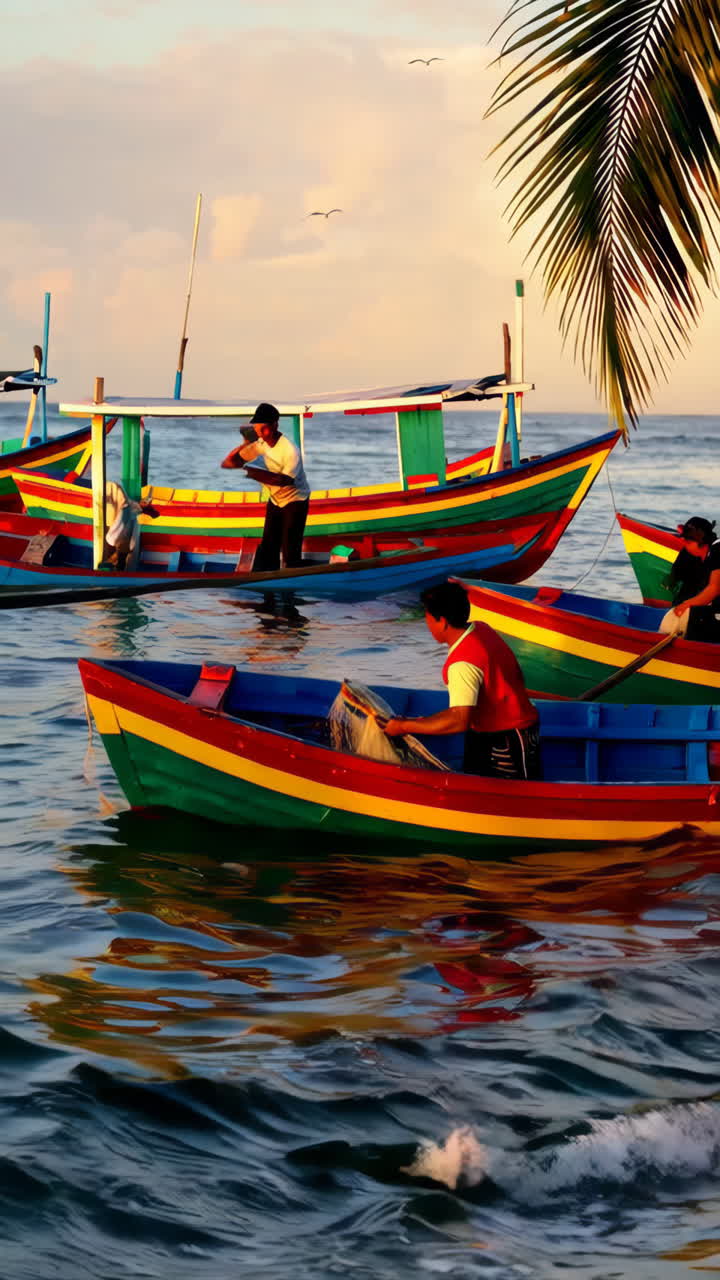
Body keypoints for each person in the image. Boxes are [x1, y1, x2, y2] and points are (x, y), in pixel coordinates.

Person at [384, 581, 542, 779]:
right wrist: (418, 722)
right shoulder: (481, 629)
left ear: (442, 622)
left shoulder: (462, 663)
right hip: (508, 726)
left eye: (427, 618)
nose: (427, 624)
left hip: (507, 737)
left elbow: (459, 721)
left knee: (510, 796)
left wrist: (403, 726)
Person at [221, 402, 310, 571]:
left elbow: (284, 481)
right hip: (276, 500)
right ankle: (269, 588)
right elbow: (230, 462)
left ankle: (293, 582)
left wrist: (253, 472)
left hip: (296, 501)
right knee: (269, 546)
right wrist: (245, 443)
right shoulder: (259, 445)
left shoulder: (290, 450)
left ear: (275, 425)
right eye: (257, 429)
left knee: (290, 550)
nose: (260, 433)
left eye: (264, 429)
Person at [668, 516, 720, 642]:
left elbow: (714, 588)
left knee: (695, 615)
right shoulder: (703, 557)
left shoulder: (718, 550)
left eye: (688, 542)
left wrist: (686, 605)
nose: (685, 545)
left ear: (702, 541)